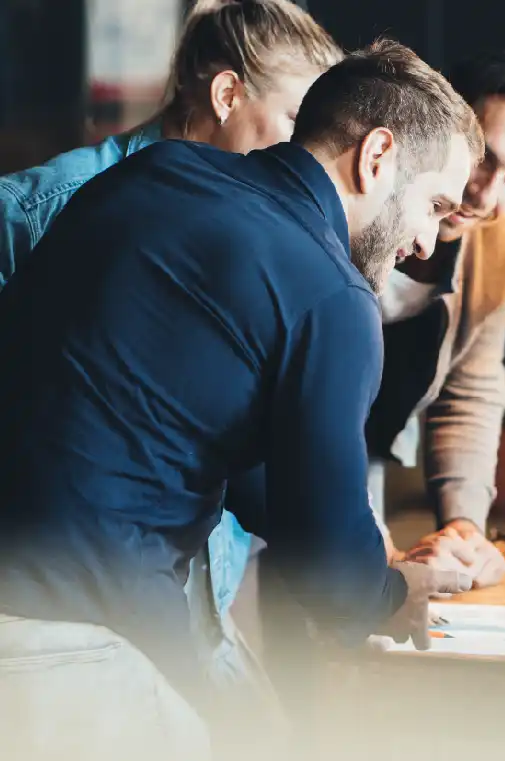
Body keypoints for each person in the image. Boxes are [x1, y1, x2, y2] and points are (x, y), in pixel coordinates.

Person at [0, 38, 482, 760]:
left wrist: (361, 551)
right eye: (435, 206)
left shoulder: (155, 173)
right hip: (67, 637)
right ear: (376, 155)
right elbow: (323, 571)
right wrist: (396, 587)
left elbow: (187, 429)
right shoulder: (333, 297)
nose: (423, 243)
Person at [0, 0, 343, 692]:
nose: (308, 157)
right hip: (57, 615)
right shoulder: (41, 206)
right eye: (295, 125)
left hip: (199, 591)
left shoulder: (263, 241)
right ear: (225, 94)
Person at [363, 52, 505, 586]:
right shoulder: (361, 197)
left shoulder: (503, 233)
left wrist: (463, 528)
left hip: (366, 446)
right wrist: (368, 544)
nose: (484, 196)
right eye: (484, 157)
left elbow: (470, 388)